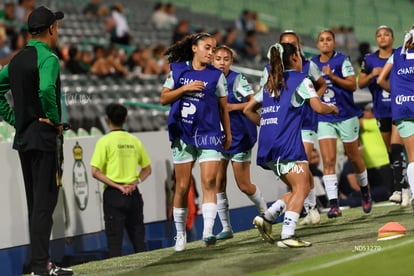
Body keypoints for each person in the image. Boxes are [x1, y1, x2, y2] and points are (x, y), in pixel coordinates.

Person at [0, 6, 73, 275]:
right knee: (45, 204)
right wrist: (54, 120)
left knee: (36, 205)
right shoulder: (49, 58)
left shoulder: (16, 60)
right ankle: (41, 267)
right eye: (57, 26)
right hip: (44, 137)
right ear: (51, 29)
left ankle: (41, 264)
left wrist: (16, 119)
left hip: (24, 139)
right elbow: (45, 89)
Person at [244, 42, 338, 248]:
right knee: (303, 187)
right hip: (286, 144)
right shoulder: (300, 80)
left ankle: (267, 217)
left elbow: (248, 110)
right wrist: (331, 108)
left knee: (299, 188)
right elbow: (319, 108)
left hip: (268, 146)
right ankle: (287, 235)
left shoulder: (270, 84)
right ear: (295, 58)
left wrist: (267, 124)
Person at [160, 32, 232, 252]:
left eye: (213, 49)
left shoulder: (217, 76)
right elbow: (163, 98)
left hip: (209, 133)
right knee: (182, 187)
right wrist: (184, 89)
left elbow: (223, 108)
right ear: (194, 48)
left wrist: (227, 135)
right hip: (182, 132)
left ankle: (207, 231)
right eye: (207, 48)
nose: (211, 52)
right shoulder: (178, 70)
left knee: (209, 182)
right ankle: (180, 235)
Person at [311, 29, 372, 218]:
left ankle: (365, 191)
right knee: (328, 160)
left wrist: (332, 77)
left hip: (346, 115)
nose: (325, 42)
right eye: (322, 40)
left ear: (334, 43)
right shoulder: (312, 63)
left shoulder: (342, 60)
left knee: (354, 157)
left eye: (329, 39)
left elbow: (352, 85)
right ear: (318, 44)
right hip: (325, 117)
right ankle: (334, 204)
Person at [212, 45, 267, 240]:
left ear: (231, 62)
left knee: (243, 185)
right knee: (217, 183)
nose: (222, 62)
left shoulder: (237, 79)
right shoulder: (207, 80)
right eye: (218, 58)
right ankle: (227, 228)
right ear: (212, 60)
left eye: (226, 59)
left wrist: (232, 106)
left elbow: (253, 102)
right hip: (217, 139)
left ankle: (265, 214)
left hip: (240, 136)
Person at [90, 103, 152, 258]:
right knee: (139, 241)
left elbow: (95, 172)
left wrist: (118, 186)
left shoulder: (104, 142)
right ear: (125, 119)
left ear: (107, 119)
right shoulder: (134, 140)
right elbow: (147, 169)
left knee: (114, 243)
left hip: (113, 195)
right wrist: (134, 182)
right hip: (133, 194)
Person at [358, 25, 410, 206]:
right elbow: (360, 82)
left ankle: (401, 188)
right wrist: (372, 74)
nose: (382, 38)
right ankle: (402, 186)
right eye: (379, 35)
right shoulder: (370, 59)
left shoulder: (400, 54)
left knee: (397, 148)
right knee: (391, 151)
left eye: (386, 34)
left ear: (393, 38)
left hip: (398, 107)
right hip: (381, 110)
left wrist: (397, 93)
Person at [377, 25, 414, 212]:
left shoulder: (397, 54)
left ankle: (411, 192)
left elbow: (380, 80)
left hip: (402, 108)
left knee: (412, 157)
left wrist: (399, 94)